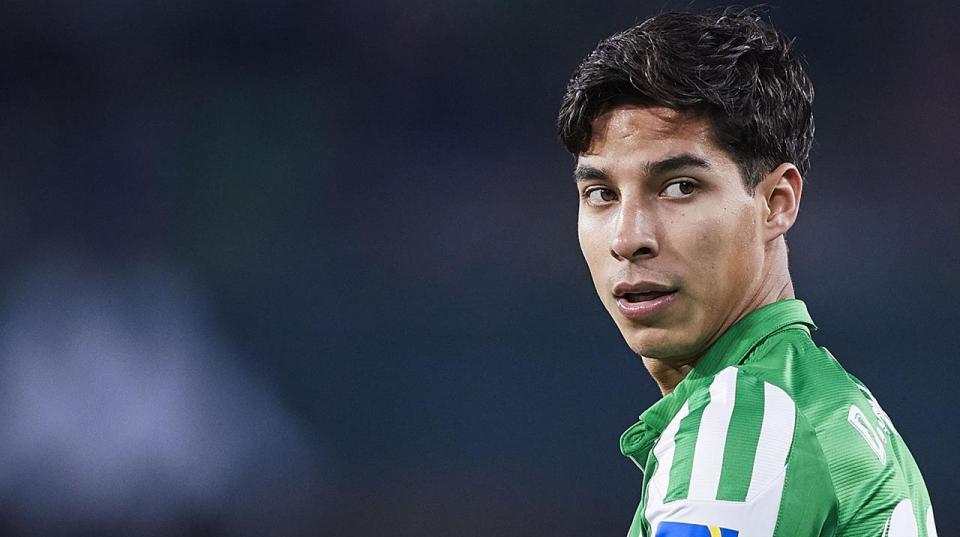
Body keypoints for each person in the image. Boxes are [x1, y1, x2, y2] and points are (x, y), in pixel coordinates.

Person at [556, 8, 937, 537]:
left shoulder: (748, 423)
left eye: (680, 187)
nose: (627, 238)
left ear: (776, 202)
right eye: (601, 194)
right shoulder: (824, 401)